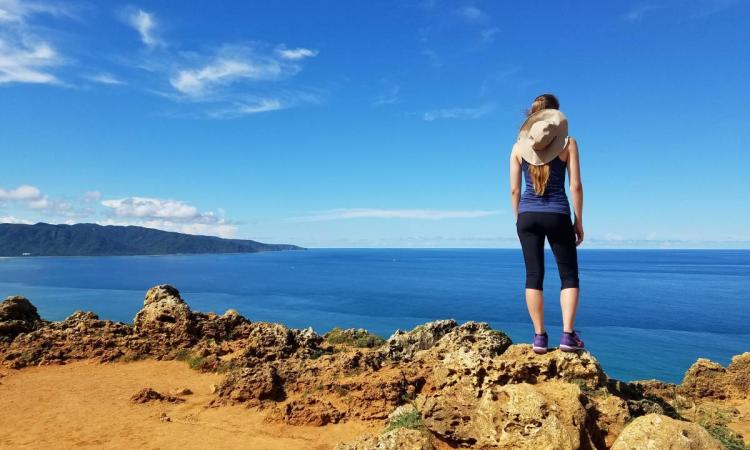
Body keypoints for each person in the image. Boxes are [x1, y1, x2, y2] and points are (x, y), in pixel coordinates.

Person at [509, 93, 584, 354]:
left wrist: (519, 219)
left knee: (533, 276)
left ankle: (539, 337)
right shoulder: (568, 143)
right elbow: (575, 185)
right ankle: (567, 336)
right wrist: (579, 220)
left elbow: (514, 191)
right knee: (569, 276)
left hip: (527, 216)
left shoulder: (518, 147)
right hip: (558, 214)